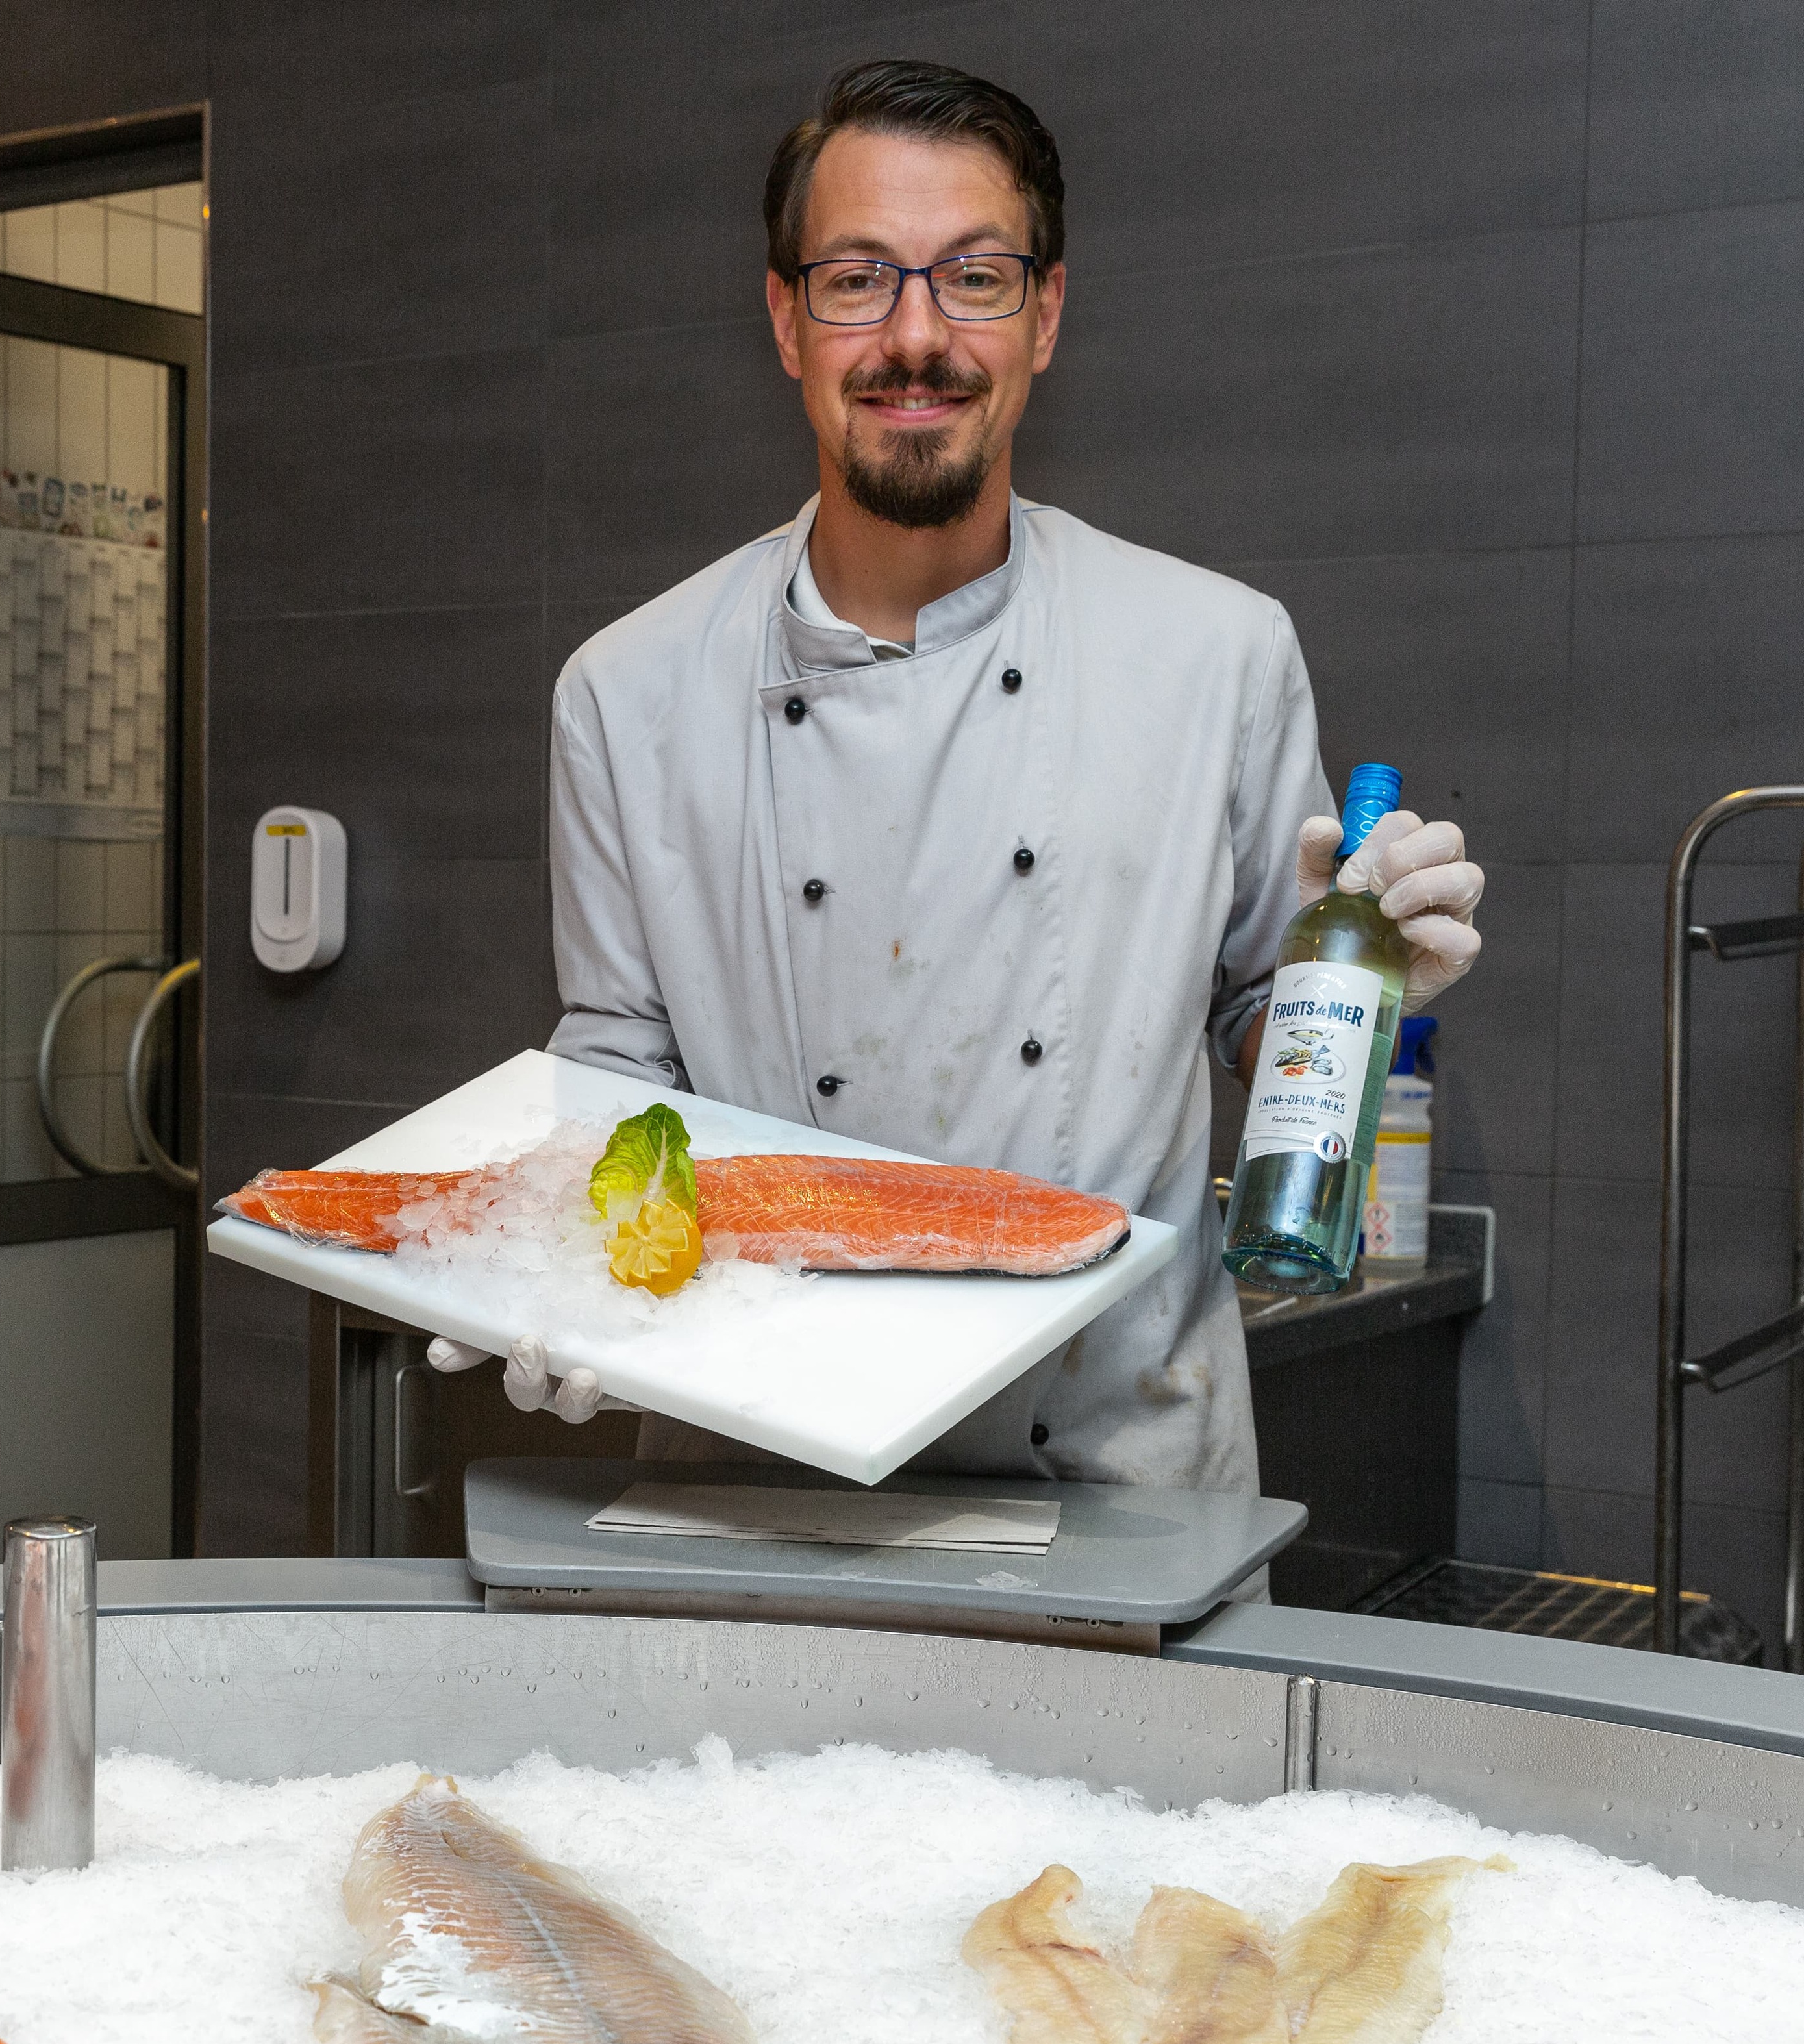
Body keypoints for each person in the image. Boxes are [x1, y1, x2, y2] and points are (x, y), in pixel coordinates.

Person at [441, 59, 1486, 1497]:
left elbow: (1258, 1016)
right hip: (752, 1464)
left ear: (1045, 315)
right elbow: (626, 1063)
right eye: (858, 278)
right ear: (783, 319)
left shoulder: (1217, 654)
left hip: (1118, 1471)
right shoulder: (626, 690)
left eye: (975, 277)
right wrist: (562, 1248)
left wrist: (1352, 988)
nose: (915, 337)